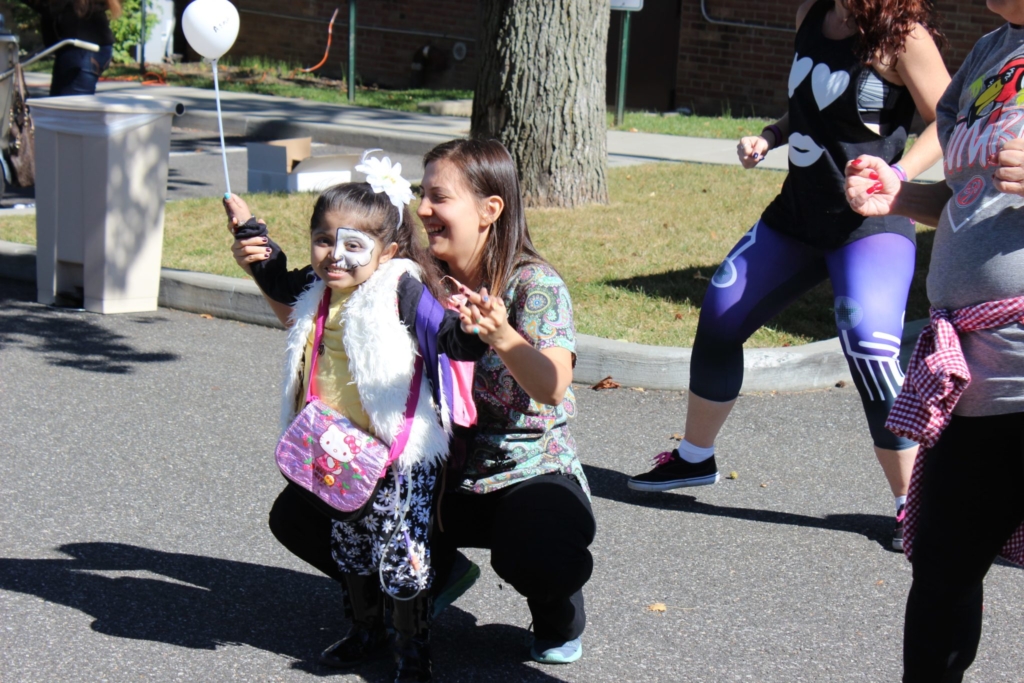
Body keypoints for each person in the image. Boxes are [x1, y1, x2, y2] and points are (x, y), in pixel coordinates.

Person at [230, 139, 597, 668]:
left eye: (438, 197)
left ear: (489, 209)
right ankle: (430, 580)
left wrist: (500, 335)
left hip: (516, 472)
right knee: (300, 513)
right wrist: (260, 262)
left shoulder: (532, 284)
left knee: (541, 545)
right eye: (422, 194)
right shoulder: (404, 270)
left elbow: (552, 386)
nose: (422, 209)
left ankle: (555, 612)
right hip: (425, 472)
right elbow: (317, 314)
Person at [628, 0, 950, 551]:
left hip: (869, 225)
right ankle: (693, 459)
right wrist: (771, 136)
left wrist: (895, 176)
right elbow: (811, 107)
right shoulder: (812, 12)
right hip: (797, 217)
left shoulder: (905, 36)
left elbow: (949, 119)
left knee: (871, 351)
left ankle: (913, 502)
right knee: (722, 312)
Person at [223, 156, 491, 682]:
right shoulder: (320, 288)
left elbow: (445, 338)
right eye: (324, 241)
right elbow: (280, 279)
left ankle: (412, 650)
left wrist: (475, 330)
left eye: (353, 245)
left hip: (399, 456)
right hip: (337, 447)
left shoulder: (402, 287)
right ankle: (365, 628)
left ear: (388, 251)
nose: (336, 257)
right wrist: (253, 238)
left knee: (401, 551)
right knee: (350, 545)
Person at [845, 0, 1024, 676]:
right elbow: (970, 195)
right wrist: (897, 193)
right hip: (975, 380)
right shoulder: (990, 52)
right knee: (943, 568)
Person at [24, 0, 120, 96]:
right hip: (87, 47)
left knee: (70, 105)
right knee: (60, 103)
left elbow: (49, 6)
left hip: (82, 49)